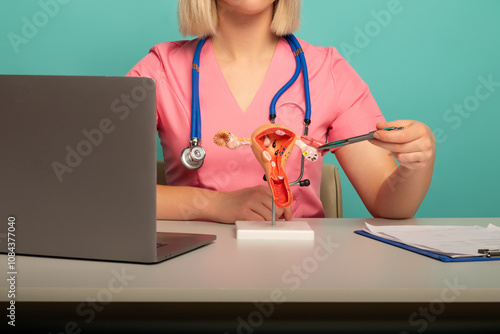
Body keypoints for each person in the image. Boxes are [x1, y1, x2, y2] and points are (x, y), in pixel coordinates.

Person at [127, 0, 436, 223]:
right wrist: (213, 204)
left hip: (302, 273)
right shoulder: (159, 70)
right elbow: (104, 190)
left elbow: (389, 205)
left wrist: (416, 162)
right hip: (192, 274)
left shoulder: (328, 72)